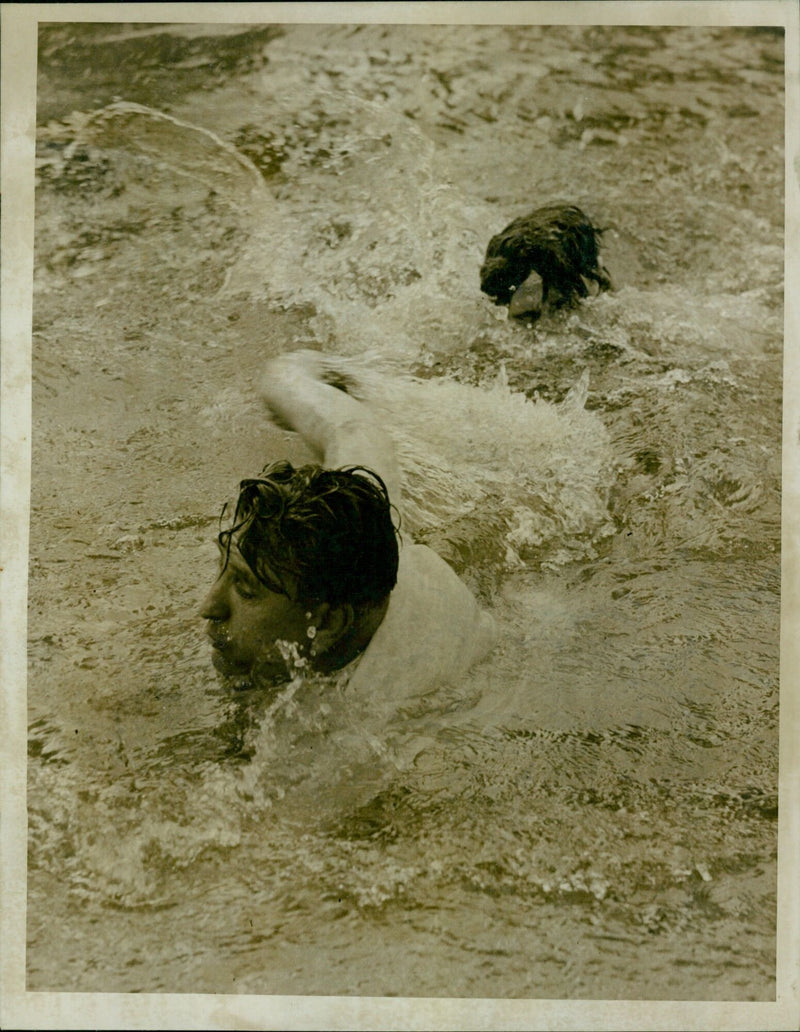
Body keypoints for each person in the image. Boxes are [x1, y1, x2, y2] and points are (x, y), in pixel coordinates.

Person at [200, 351, 496, 708]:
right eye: (224, 569)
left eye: (246, 589)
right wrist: (288, 376)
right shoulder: (366, 523)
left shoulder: (393, 709)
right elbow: (351, 427)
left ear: (327, 623)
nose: (208, 606)